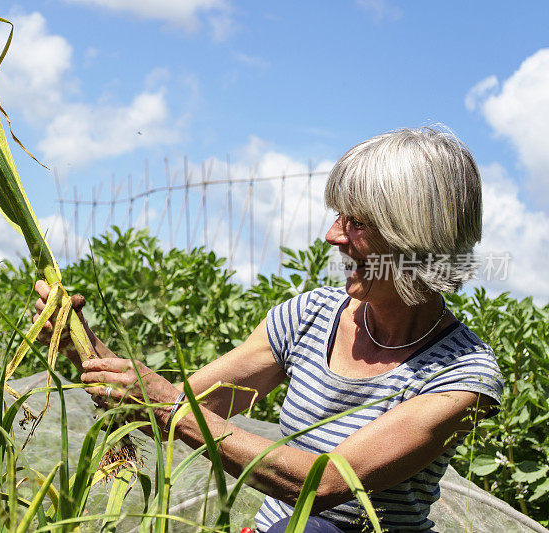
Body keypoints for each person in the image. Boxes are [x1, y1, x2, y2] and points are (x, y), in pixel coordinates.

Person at [33, 126, 503, 532]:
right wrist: (81, 345)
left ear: (415, 236)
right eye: (339, 215)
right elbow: (182, 408)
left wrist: (169, 407)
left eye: (357, 222)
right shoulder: (308, 317)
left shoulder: (462, 376)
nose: (333, 236)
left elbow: (324, 484)